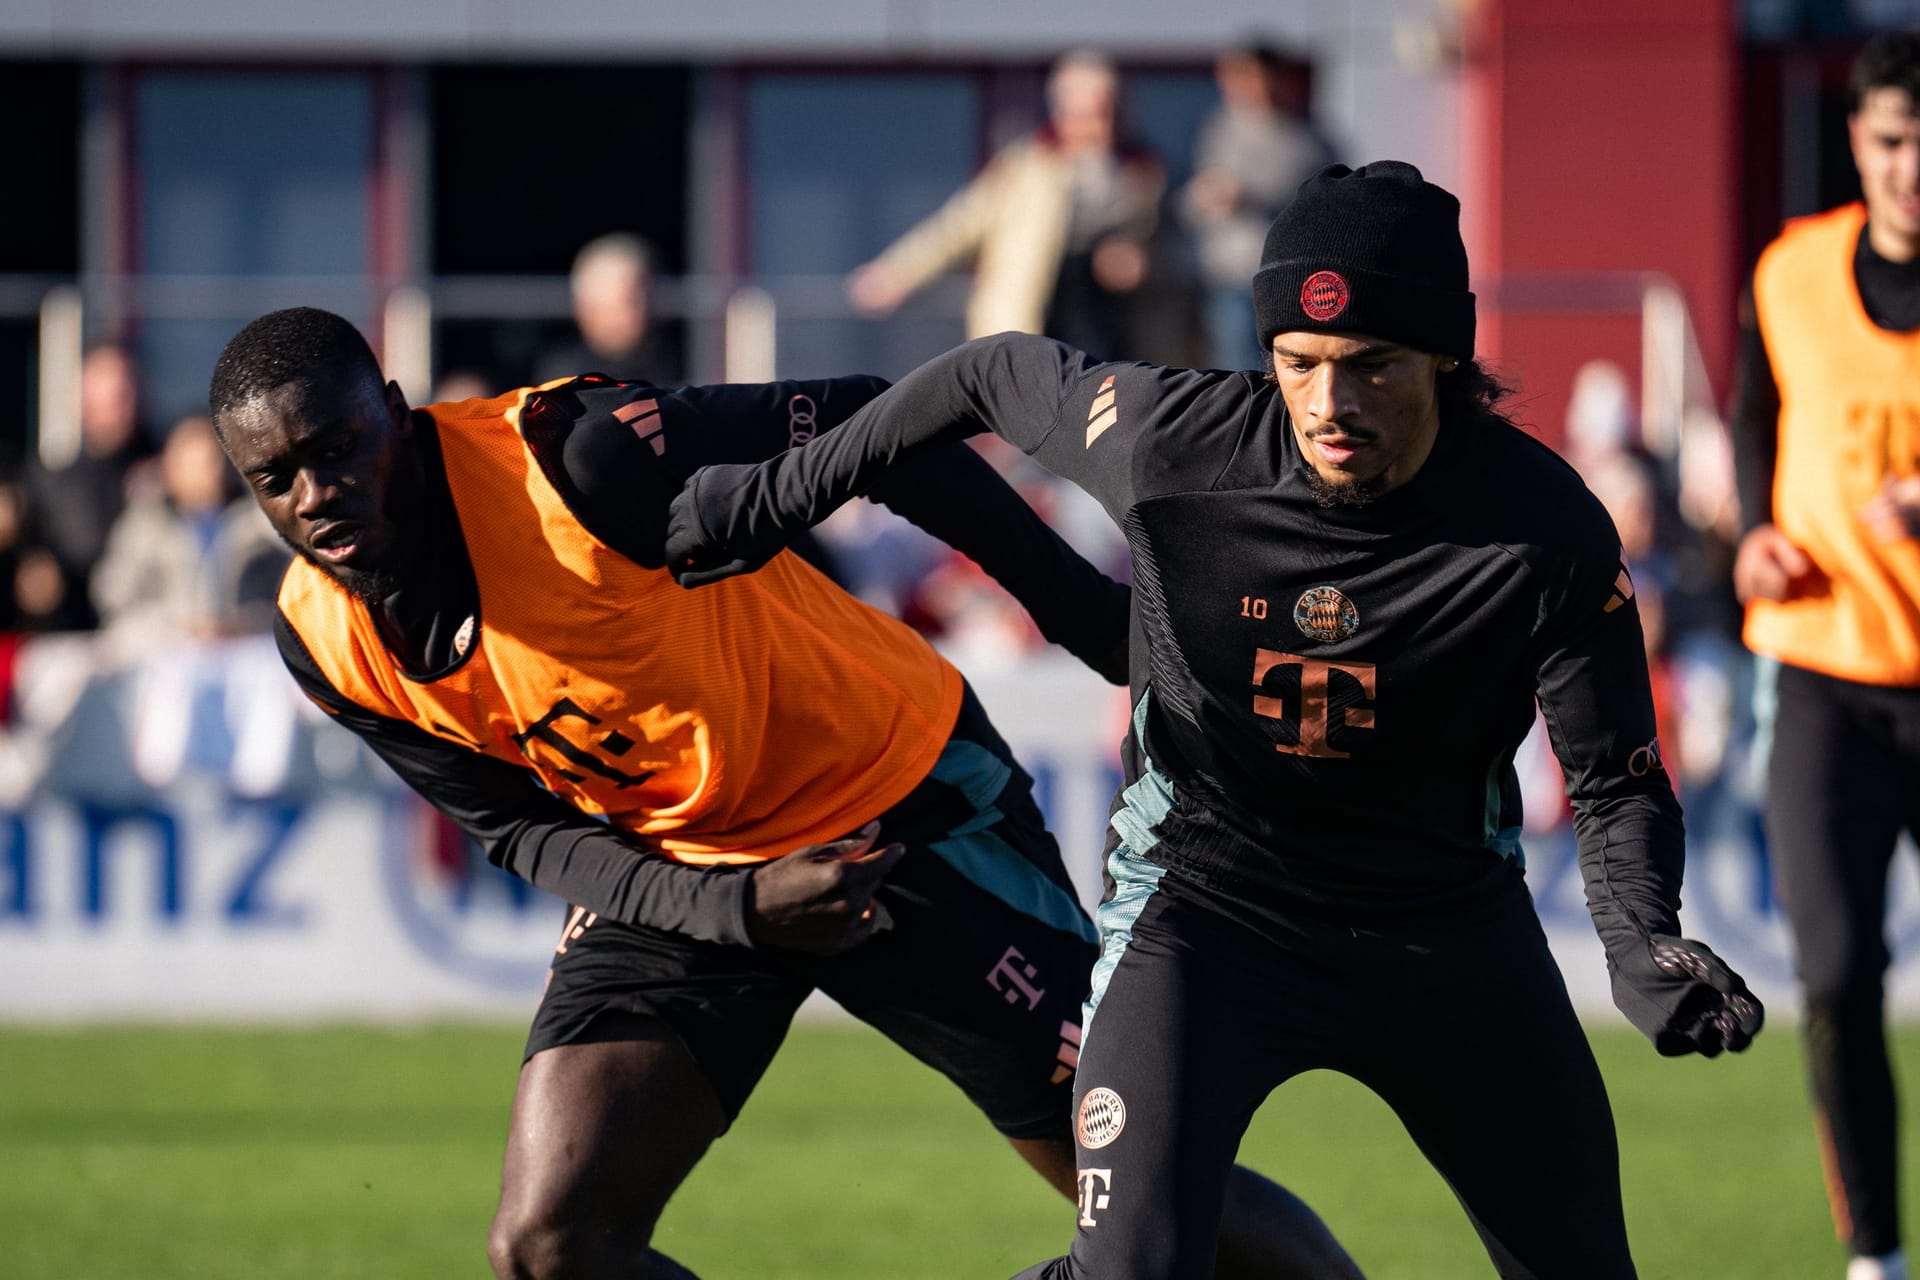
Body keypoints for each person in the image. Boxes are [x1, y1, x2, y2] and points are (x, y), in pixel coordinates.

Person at [666, 161, 1765, 1280]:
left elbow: (1618, 778)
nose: (1329, 407)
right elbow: (991, 374)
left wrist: (1641, 941)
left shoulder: (1548, 531)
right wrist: (774, 495)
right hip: (1206, 912)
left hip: (1446, 924)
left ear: (1446, 356)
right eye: (1300, 365)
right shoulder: (1173, 439)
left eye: (1371, 369)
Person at [205, 307, 1361, 1280]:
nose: (316, 493)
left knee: (1139, 1191)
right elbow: (519, 826)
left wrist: (1097, 628)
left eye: (339, 445)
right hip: (688, 866)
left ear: (396, 414)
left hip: (903, 804)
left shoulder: (576, 457)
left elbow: (885, 426)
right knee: (549, 1242)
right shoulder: (320, 639)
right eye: (275, 478)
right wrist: (738, 910)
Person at [1729, 32, 1920, 1280]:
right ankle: (1877, 1257)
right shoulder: (1793, 270)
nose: (1914, 170)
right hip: (1821, 672)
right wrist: (1749, 533)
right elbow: (1759, 411)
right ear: (1858, 139)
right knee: (1839, 972)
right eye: (1895, 142)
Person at [845, 49, 1163, 362]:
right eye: (1085, 114)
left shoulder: (1141, 172)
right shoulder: (1026, 167)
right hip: (1029, 322)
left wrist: (1136, 258)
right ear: (1061, 112)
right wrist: (898, 272)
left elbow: (1157, 243)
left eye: (1105, 113)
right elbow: (959, 225)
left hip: (1101, 330)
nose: (1097, 127)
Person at [1178, 41, 1336, 370]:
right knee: (1236, 370)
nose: (1246, 88)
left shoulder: (1307, 138)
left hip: (1287, 275)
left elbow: (1324, 204)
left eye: (1254, 77)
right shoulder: (1218, 131)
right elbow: (1192, 203)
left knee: (1286, 366)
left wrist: (1250, 196)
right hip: (1228, 275)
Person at [531, 232, 682, 387]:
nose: (640, 312)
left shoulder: (686, 361)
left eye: (647, 297)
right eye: (626, 302)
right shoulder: (562, 375)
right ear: (585, 307)